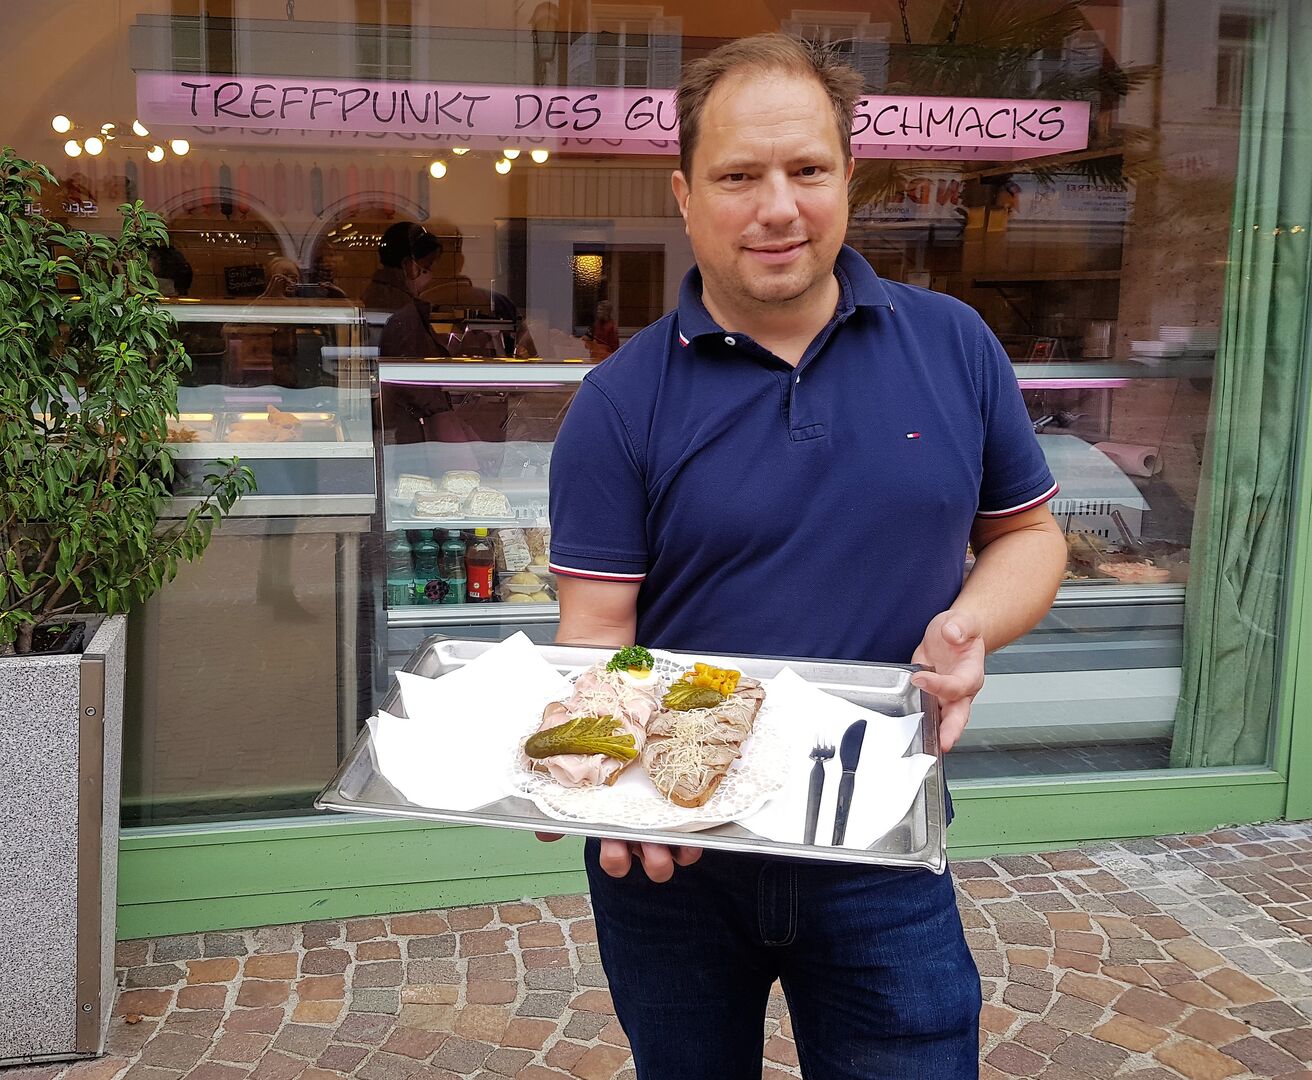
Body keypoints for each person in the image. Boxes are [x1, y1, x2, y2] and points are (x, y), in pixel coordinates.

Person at [545, 33, 1067, 1079]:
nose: (777, 206)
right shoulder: (617, 402)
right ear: (686, 195)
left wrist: (970, 626)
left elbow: (1026, 535)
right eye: (739, 175)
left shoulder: (954, 344)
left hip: (879, 824)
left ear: (847, 178)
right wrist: (597, 779)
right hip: (680, 853)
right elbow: (598, 635)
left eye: (807, 170)